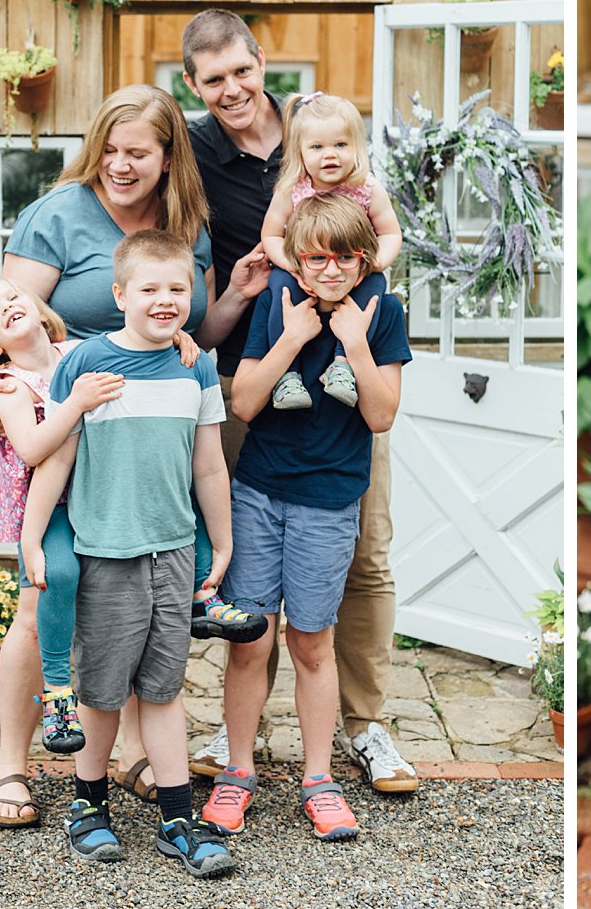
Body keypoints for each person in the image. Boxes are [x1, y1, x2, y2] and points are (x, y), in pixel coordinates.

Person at [0, 85, 267, 824]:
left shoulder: (185, 225)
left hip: (139, 444)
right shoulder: (57, 215)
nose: (119, 164)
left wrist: (232, 296)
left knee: (136, 600)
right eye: (108, 149)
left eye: (137, 152)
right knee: (45, 591)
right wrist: (0, 397)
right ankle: (13, 761)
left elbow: (196, 324)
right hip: (58, 435)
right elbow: (2, 321)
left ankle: (134, 747)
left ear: (169, 155)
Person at [181, 10, 418, 794]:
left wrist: (366, 303)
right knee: (253, 571)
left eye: (241, 72)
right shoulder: (195, 151)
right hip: (265, 355)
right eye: (213, 80)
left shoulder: (321, 135)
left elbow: (386, 233)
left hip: (351, 376)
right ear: (194, 85)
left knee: (364, 554)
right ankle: (240, 732)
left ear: (260, 65)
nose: (231, 89)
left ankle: (366, 723)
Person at [16, 230, 237, 877]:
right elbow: (54, 461)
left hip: (171, 553)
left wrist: (219, 540)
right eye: (150, 288)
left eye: (178, 288)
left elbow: (210, 467)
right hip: (106, 552)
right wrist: (31, 538)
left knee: (165, 690)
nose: (165, 299)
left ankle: (177, 819)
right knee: (103, 693)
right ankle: (88, 806)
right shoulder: (85, 366)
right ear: (120, 294)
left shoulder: (195, 365)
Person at [201, 194, 409, 842]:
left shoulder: (383, 311)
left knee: (312, 642)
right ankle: (238, 770)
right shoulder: (278, 303)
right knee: (251, 639)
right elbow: (245, 401)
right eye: (316, 256)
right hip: (260, 491)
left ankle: (318, 778)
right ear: (298, 256)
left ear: (363, 258)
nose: (330, 269)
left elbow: (380, 415)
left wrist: (354, 343)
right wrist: (293, 335)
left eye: (344, 257)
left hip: (329, 498)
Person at [0, 278, 122, 822]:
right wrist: (76, 400)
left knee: (120, 609)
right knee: (38, 606)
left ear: (38, 308)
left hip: (105, 499)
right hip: (48, 509)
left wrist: (182, 343)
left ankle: (132, 754)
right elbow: (32, 451)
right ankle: (13, 762)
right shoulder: (9, 386)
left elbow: (138, 352)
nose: (7, 306)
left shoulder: (80, 351)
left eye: (13, 297)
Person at [259, 90, 402, 410]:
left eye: (341, 145)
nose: (330, 155)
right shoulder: (292, 189)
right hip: (304, 270)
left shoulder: (366, 188)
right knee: (279, 288)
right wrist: (293, 267)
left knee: (377, 287)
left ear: (357, 147)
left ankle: (342, 365)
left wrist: (375, 263)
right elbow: (270, 235)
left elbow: (391, 232)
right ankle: (288, 374)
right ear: (300, 151)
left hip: (352, 270)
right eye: (317, 147)